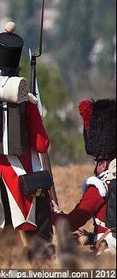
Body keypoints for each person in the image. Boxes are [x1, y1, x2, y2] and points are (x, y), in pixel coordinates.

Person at [0, 25, 51, 251]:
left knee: (0, 252)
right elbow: (42, 144)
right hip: (22, 181)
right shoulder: (26, 102)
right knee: (39, 249)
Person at [53, 98, 116, 253]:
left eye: (97, 160)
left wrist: (52, 215)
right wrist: (90, 238)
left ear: (103, 163)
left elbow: (69, 224)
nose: (96, 165)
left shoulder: (100, 188)